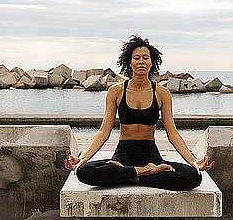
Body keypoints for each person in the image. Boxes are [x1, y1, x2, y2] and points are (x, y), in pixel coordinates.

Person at [64, 34, 214, 191]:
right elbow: (103, 131)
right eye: (137, 57)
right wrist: (83, 159)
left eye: (145, 57)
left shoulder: (162, 93)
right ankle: (146, 172)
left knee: (194, 177)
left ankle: (128, 175)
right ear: (130, 62)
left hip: (151, 154)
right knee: (83, 171)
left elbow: (173, 134)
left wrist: (193, 161)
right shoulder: (116, 91)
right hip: (123, 155)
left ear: (151, 62)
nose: (141, 61)